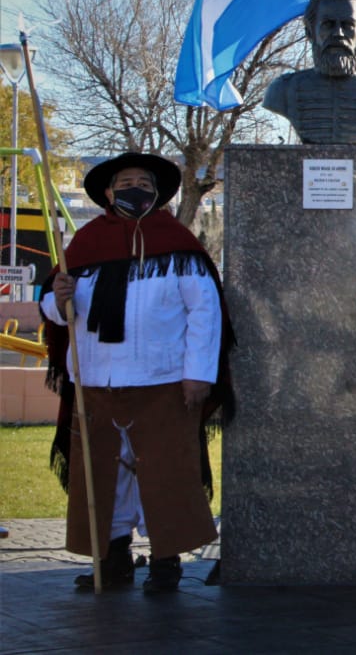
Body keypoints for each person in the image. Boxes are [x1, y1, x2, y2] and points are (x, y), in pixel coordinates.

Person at [41, 152, 234, 593]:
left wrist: (198, 376)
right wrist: (58, 297)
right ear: (108, 193)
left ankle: (166, 563)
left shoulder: (178, 245)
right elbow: (54, 312)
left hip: (163, 382)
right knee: (103, 477)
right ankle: (112, 560)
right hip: (95, 382)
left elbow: (205, 313)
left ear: (157, 193)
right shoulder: (85, 245)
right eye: (125, 183)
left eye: (144, 184)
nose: (134, 190)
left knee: (165, 473)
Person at [263, 0, 356, 144]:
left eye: (347, 25)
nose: (338, 33)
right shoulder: (282, 91)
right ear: (310, 32)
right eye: (328, 25)